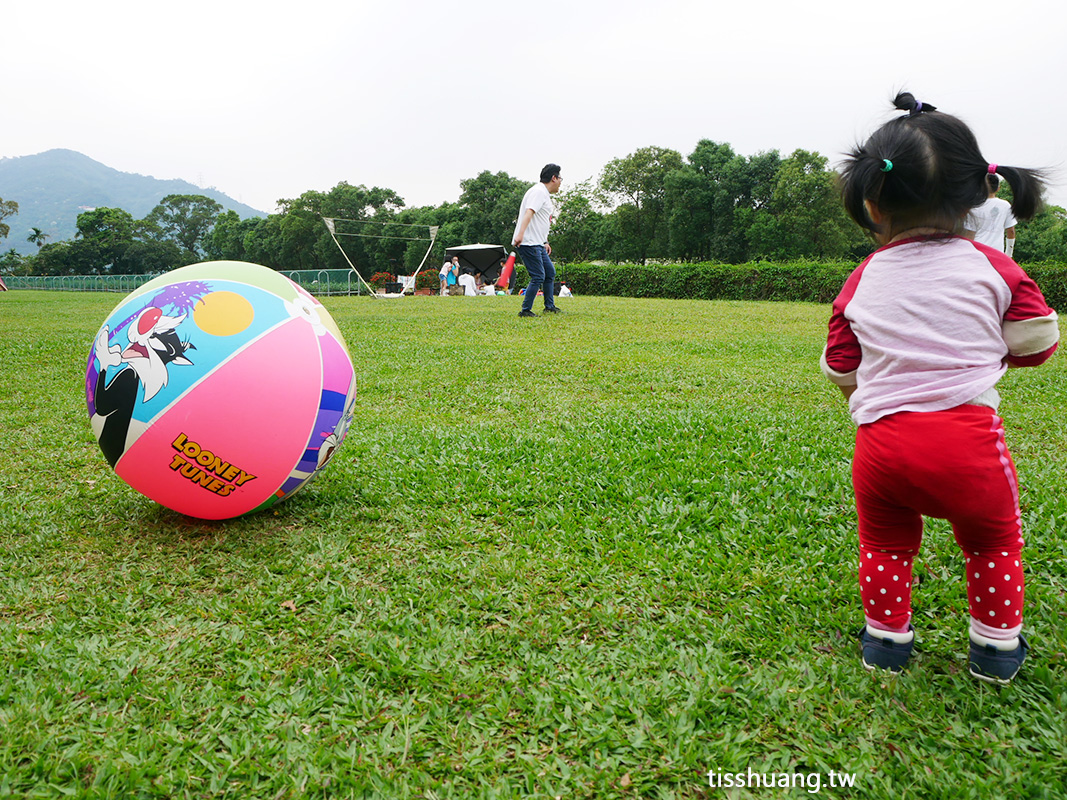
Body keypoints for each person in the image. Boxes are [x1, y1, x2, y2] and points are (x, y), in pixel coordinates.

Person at [822, 92, 1059, 684]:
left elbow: (838, 363)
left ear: (872, 206)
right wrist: (989, 353)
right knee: (994, 541)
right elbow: (1039, 341)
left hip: (880, 444)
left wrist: (872, 382)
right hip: (968, 442)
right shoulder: (995, 268)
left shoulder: (863, 276)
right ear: (981, 193)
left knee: (884, 546)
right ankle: (997, 651)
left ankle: (885, 643)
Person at [513, 163, 562, 317]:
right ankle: (525, 310)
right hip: (528, 242)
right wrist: (520, 235)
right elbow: (529, 213)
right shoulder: (538, 192)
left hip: (538, 243)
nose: (561, 181)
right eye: (560, 178)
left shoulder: (543, 193)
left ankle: (549, 306)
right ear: (553, 178)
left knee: (549, 272)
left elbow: (540, 221)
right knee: (538, 276)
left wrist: (545, 241)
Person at [965, 173, 1017, 255]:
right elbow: (1011, 231)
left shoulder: (974, 206)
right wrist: (1009, 254)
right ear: (998, 189)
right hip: (997, 252)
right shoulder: (1005, 205)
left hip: (978, 251)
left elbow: (970, 234)